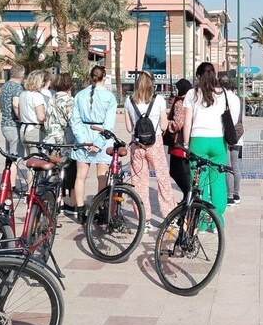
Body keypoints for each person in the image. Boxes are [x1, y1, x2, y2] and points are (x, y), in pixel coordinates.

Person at [182, 62, 240, 225]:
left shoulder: (192, 94)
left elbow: (187, 123)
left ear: (198, 77)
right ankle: (216, 221)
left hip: (197, 141)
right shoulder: (224, 94)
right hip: (218, 142)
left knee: (199, 182)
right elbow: (232, 119)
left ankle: (201, 222)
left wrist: (186, 144)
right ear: (214, 75)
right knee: (218, 181)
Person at [124, 70, 175, 231]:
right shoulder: (159, 100)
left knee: (139, 182)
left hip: (137, 145)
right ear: (152, 83)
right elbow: (164, 125)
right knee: (162, 179)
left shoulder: (129, 100)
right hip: (155, 143)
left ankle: (143, 220)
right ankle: (169, 214)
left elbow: (129, 128)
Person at [68, 65, 117, 223]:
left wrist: (83, 140)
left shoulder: (80, 95)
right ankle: (101, 210)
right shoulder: (109, 97)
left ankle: (80, 211)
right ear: (105, 77)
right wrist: (98, 143)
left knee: (80, 176)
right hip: (101, 137)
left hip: (83, 135)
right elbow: (108, 125)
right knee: (101, 177)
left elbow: (74, 120)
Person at [44, 72, 77, 213]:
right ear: (69, 85)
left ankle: (56, 200)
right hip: (64, 140)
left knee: (54, 171)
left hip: (50, 138)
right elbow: (73, 121)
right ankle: (69, 202)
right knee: (69, 170)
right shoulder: (70, 101)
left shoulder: (51, 99)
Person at [165, 78, 192, 201]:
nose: (175, 90)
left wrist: (166, 123)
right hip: (187, 140)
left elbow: (178, 124)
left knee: (176, 171)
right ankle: (188, 195)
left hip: (179, 143)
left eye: (176, 87)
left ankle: (189, 194)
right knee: (184, 172)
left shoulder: (180, 103)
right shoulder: (191, 100)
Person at [219, 75, 243, 207]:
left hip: (225, 135)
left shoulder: (223, 98)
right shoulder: (237, 99)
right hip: (237, 135)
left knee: (227, 167)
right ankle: (236, 193)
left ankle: (229, 196)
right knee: (235, 166)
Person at [0, 64, 24, 158]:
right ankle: (13, 172)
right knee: (15, 158)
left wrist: (5, 112)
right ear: (21, 75)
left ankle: (8, 172)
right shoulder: (17, 87)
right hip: (14, 126)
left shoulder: (4, 86)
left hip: (5, 124)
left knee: (8, 156)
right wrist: (21, 118)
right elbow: (15, 104)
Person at [18, 70, 47, 151]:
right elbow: (40, 117)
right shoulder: (37, 96)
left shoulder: (22, 94)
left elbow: (20, 116)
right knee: (37, 159)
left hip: (24, 128)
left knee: (30, 158)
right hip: (34, 130)